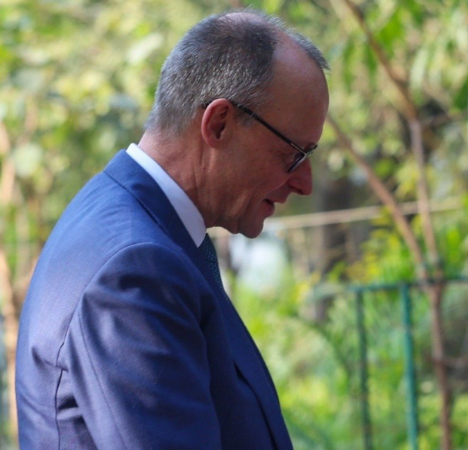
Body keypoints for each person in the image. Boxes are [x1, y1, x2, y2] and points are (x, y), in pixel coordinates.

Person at [15, 10, 329, 449]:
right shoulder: (134, 269)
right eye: (295, 153)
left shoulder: (152, 231)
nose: (305, 182)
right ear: (218, 124)